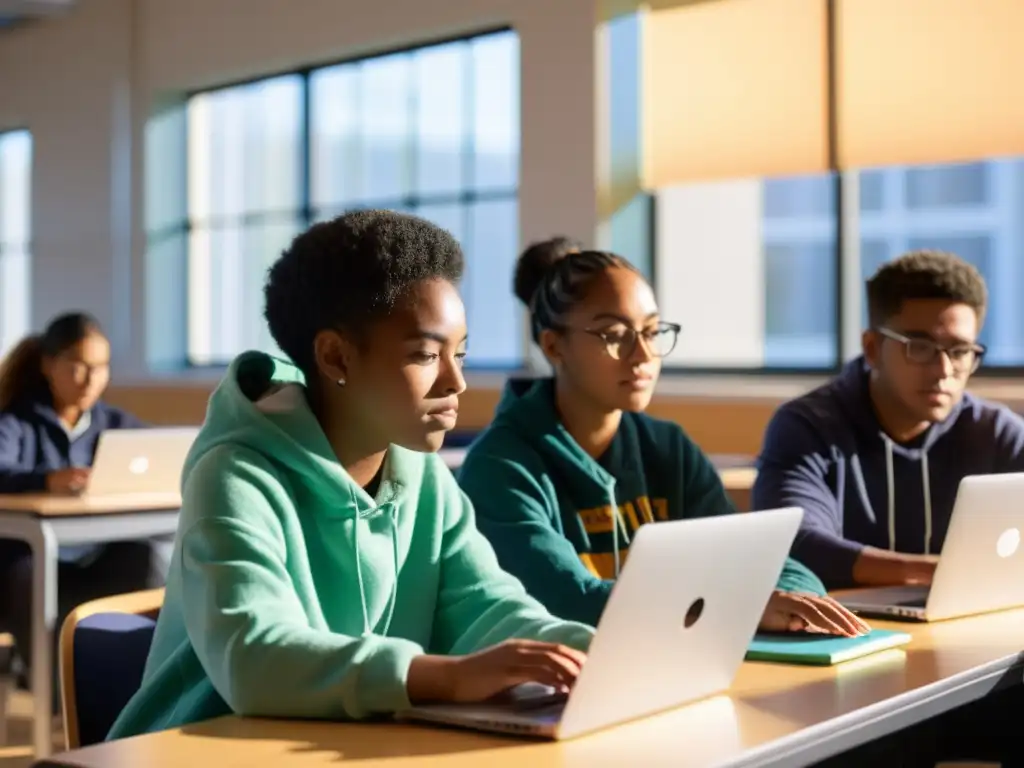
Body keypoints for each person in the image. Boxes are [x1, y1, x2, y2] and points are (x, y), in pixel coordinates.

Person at [108, 211, 595, 740]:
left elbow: (488, 607)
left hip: (345, 743)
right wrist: (445, 677)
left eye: (461, 353)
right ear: (335, 356)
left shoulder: (425, 477)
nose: (456, 382)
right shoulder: (234, 476)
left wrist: (595, 652)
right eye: (427, 355)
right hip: (206, 747)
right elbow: (255, 656)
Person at [457, 239, 868, 636]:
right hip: (555, 693)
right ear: (553, 345)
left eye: (652, 332)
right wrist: (741, 605)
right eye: (614, 335)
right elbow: (565, 599)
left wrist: (789, 596)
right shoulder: (500, 466)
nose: (642, 356)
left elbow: (760, 561)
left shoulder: (668, 447)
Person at [752, 250, 1024, 590]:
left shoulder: (997, 433)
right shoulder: (808, 426)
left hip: (969, 629)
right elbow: (794, 541)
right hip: (849, 631)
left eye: (959, 351)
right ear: (871, 348)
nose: (943, 371)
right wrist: (942, 574)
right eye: (920, 347)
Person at [0, 312, 167, 685]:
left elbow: (159, 451)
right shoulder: (18, 421)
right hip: (30, 564)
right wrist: (45, 479)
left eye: (101, 367)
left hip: (92, 556)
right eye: (78, 366)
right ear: (48, 365)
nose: (92, 380)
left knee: (150, 555)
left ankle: (137, 684)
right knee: (28, 573)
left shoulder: (112, 422)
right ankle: (60, 693)